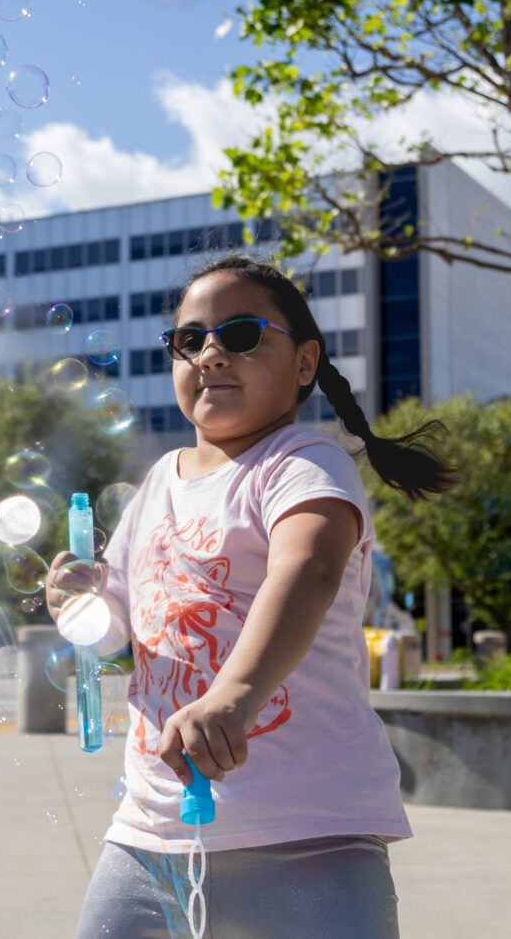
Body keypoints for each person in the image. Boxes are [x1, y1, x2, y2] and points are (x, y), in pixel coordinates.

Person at [45, 255, 456, 938]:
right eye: (189, 339)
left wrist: (233, 694)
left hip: (310, 835)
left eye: (238, 335)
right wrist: (80, 601)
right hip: (150, 840)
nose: (210, 353)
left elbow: (311, 570)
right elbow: (117, 627)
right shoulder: (157, 485)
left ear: (304, 363)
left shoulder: (303, 463)